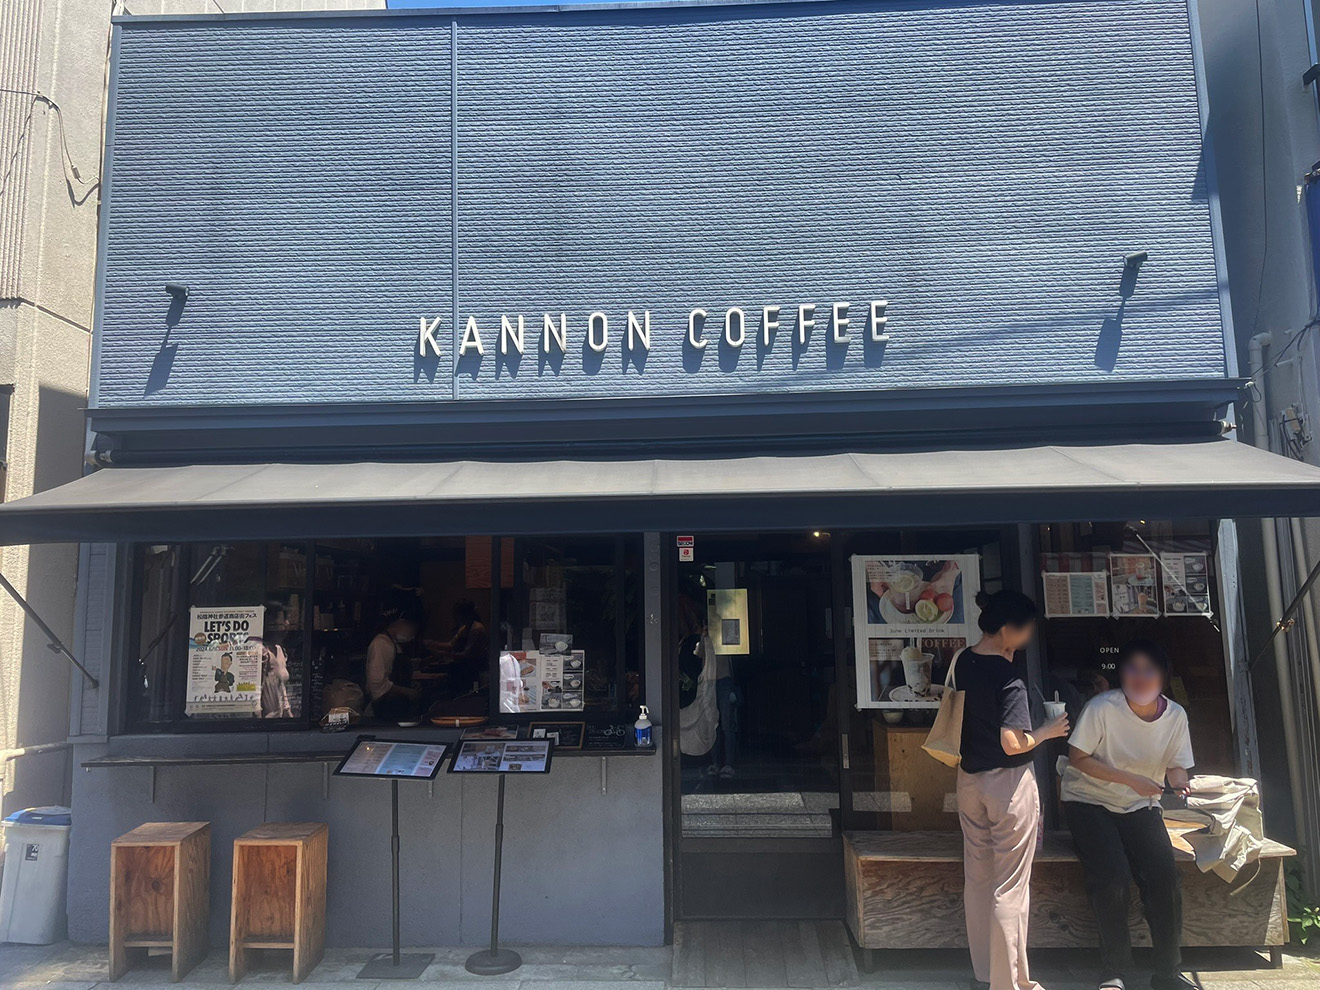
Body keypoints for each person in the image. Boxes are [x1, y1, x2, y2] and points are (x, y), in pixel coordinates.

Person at [1062, 640, 1195, 990]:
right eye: (1132, 669)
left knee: (1165, 877)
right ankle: (1114, 971)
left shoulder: (1176, 716)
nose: (1140, 677)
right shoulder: (1102, 707)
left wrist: (1182, 784)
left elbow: (1176, 767)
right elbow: (1077, 757)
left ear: (1163, 676)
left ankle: (1167, 972)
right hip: (1087, 800)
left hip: (1140, 804)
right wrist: (1131, 779)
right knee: (1112, 876)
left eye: (1149, 669)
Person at [955, 589, 1069, 990]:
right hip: (1007, 783)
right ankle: (1011, 983)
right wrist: (1046, 732)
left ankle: (985, 972)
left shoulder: (963, 660)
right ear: (1008, 629)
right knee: (1010, 886)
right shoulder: (1010, 678)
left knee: (980, 878)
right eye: (1026, 631)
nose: (1028, 638)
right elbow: (1011, 741)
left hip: (969, 781)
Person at [366, 602, 424, 721]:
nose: (413, 634)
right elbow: (376, 683)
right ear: (401, 623)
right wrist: (407, 692)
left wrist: (409, 684)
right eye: (412, 628)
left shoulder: (393, 643)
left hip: (399, 707)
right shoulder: (380, 644)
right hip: (387, 710)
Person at [433, 599, 489, 695]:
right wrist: (434, 644)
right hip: (463, 667)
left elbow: (467, 654)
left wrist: (444, 653)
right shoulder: (464, 628)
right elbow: (451, 645)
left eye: (458, 614)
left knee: (471, 693)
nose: (456, 617)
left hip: (473, 669)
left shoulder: (477, 629)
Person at [261, 602, 293, 718]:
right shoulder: (261, 652)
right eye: (284, 620)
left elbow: (281, 687)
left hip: (277, 719)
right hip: (264, 721)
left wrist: (287, 713)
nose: (287, 624)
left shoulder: (279, 650)